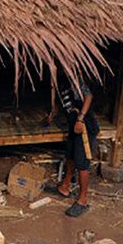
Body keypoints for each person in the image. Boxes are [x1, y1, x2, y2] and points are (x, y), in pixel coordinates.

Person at [52, 75, 98, 218]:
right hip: (73, 124)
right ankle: (65, 187)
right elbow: (64, 102)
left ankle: (82, 200)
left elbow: (88, 96)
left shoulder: (75, 77)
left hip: (84, 126)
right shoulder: (59, 81)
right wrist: (53, 114)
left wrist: (80, 118)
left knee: (82, 163)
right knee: (70, 156)